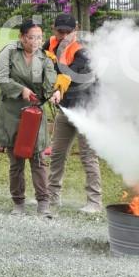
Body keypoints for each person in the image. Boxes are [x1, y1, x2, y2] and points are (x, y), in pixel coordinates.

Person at [0, 20, 60, 217]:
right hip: (12, 113)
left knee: (38, 159)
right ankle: (18, 203)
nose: (36, 41)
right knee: (16, 161)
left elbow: (49, 84)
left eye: (40, 37)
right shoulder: (9, 52)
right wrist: (21, 90)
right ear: (22, 37)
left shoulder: (46, 58)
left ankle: (43, 203)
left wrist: (54, 92)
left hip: (35, 115)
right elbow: (1, 78)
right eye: (32, 37)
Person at [44, 13, 102, 213]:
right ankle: (52, 197)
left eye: (69, 32)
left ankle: (94, 201)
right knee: (57, 154)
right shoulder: (50, 44)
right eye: (61, 31)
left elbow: (69, 76)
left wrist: (57, 90)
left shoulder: (82, 51)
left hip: (86, 110)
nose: (64, 36)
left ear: (75, 30)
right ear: (54, 28)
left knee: (88, 156)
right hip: (66, 109)